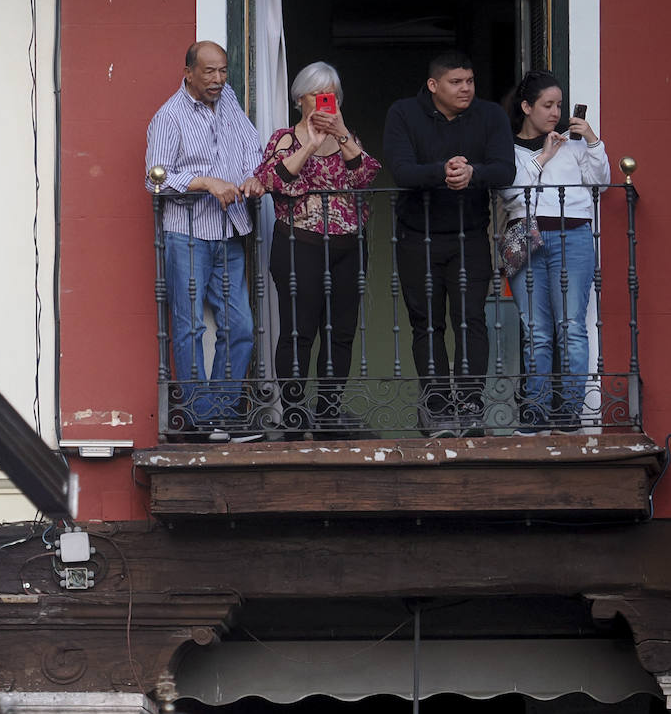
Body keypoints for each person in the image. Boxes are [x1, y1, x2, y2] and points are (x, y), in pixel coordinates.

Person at [382, 51, 515, 437]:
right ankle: (437, 408)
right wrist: (442, 171)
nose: (466, 89)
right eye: (457, 82)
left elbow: (505, 169)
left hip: (470, 235)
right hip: (416, 236)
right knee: (426, 325)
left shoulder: (489, 115)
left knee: (472, 320)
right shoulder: (404, 113)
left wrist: (472, 173)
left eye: (470, 81)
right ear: (433, 85)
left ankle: (471, 405)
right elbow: (402, 170)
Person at [145, 41, 266, 442]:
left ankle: (223, 416)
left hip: (229, 230)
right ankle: (199, 422)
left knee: (241, 324)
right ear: (189, 73)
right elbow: (154, 178)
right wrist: (204, 182)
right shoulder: (169, 117)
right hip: (188, 233)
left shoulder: (227, 98)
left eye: (223, 71)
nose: (218, 79)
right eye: (209, 72)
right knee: (190, 326)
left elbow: (251, 146)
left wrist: (254, 176)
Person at [254, 61, 381, 439]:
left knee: (340, 333)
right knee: (298, 332)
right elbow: (274, 181)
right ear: (300, 99)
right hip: (300, 246)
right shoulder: (284, 138)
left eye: (331, 94)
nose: (325, 102)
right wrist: (309, 144)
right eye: (317, 94)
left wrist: (341, 135)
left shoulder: (349, 138)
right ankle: (294, 413)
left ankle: (327, 412)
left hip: (349, 247)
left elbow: (366, 177)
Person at [502, 69, 609, 434]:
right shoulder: (508, 149)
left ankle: (569, 412)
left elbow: (601, 184)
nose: (555, 112)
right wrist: (543, 158)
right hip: (525, 238)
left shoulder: (574, 143)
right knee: (537, 331)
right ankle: (535, 411)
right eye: (547, 105)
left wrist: (592, 140)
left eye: (559, 105)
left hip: (573, 236)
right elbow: (511, 195)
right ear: (526, 106)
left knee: (571, 328)